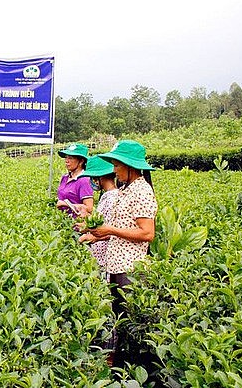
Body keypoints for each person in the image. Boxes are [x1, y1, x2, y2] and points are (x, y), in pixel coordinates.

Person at [78, 140, 157, 366]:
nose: (114, 170)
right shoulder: (125, 189)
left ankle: (134, 366)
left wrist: (109, 230)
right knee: (119, 318)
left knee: (129, 320)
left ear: (130, 166)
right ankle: (121, 364)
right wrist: (97, 235)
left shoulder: (141, 190)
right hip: (115, 264)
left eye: (117, 165)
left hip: (130, 267)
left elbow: (147, 233)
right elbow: (119, 228)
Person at [79, 155, 119, 272]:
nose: (92, 180)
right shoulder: (106, 195)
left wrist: (93, 237)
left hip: (106, 256)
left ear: (99, 177)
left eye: (93, 177)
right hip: (100, 255)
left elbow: (114, 230)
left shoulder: (112, 198)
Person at [56, 143, 93, 218]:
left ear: (81, 161)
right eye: (66, 157)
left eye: (71, 158)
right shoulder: (65, 177)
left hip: (76, 224)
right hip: (61, 220)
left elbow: (89, 208)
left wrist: (65, 204)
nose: (66, 161)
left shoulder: (84, 180)